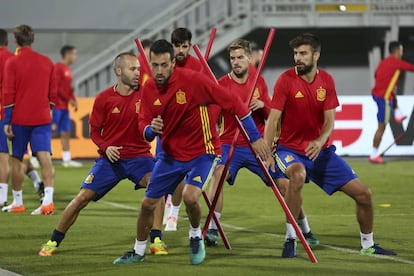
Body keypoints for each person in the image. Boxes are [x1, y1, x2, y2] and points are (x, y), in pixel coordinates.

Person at [113, 39, 270, 265]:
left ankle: (196, 235)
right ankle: (138, 251)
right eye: (154, 65)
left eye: (164, 65)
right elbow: (143, 121)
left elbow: (234, 102)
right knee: (147, 204)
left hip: (202, 152)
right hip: (169, 156)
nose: (159, 71)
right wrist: (149, 130)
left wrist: (255, 138)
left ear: (173, 63)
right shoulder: (148, 88)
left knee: (190, 195)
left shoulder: (194, 81)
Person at [265, 33, 396, 258]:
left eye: (303, 53)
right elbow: (273, 120)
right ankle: (291, 238)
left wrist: (320, 140)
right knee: (297, 175)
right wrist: (268, 154)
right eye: (296, 53)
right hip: (289, 150)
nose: (298, 57)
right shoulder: (285, 80)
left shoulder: (326, 80)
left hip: (321, 153)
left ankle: (368, 245)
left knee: (364, 195)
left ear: (316, 55)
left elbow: (329, 122)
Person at [38, 52, 168, 256]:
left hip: (140, 158)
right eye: (132, 69)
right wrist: (106, 147)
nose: (137, 73)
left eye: (138, 69)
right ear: (119, 71)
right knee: (81, 198)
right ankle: (53, 241)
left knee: (157, 187)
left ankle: (157, 240)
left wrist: (155, 127)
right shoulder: (104, 99)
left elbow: (150, 132)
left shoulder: (147, 95)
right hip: (110, 160)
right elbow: (94, 132)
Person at [205, 39, 319, 247]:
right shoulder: (222, 84)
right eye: (232, 58)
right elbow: (212, 119)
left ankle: (305, 229)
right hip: (229, 144)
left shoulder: (259, 82)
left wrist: (262, 105)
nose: (236, 62)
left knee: (285, 185)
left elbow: (270, 114)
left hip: (257, 144)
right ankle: (213, 229)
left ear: (250, 58)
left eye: (240, 57)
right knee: (218, 174)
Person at [2, 24, 56, 215]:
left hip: (20, 118)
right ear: (32, 39)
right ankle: (47, 202)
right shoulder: (47, 62)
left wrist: (7, 121)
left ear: (15, 40)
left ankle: (18, 202)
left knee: (16, 159)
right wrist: (47, 109)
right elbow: (53, 92)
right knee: (45, 158)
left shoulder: (13, 63)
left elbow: (9, 93)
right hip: (41, 117)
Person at [163, 28, 204, 231]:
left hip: (188, 130)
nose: (181, 50)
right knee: (161, 173)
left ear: (190, 46)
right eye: (177, 46)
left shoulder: (198, 66)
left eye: (184, 46)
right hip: (166, 130)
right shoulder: (165, 66)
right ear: (172, 46)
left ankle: (173, 214)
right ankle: (168, 203)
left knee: (180, 174)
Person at [370, 41, 414, 164]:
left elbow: (375, 75)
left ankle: (398, 113)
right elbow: (411, 68)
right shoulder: (396, 62)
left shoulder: (383, 62)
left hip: (378, 95)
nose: (402, 52)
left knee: (393, 97)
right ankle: (373, 155)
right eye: (401, 50)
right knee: (381, 127)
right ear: (398, 50)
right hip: (384, 98)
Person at [53, 45, 82, 168]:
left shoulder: (69, 70)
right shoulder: (58, 68)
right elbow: (57, 88)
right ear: (68, 54)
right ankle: (34, 156)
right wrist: (69, 99)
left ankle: (66, 159)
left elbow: (69, 89)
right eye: (74, 54)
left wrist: (73, 100)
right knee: (50, 132)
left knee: (65, 132)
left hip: (64, 106)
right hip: (56, 106)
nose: (75, 57)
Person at [0, 28, 14, 207]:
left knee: (2, 155)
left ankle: (2, 197)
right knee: (15, 156)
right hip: (17, 113)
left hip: (2, 112)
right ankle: (37, 181)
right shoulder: (13, 58)